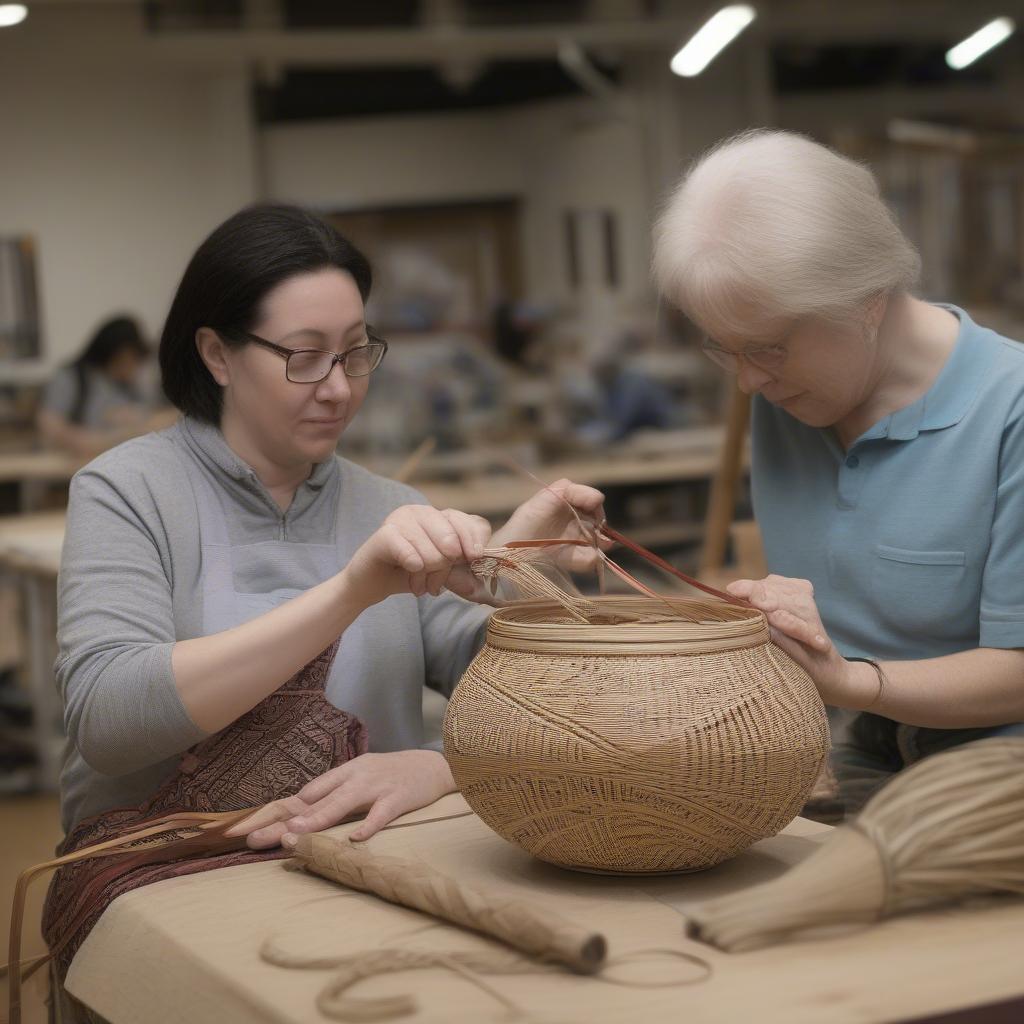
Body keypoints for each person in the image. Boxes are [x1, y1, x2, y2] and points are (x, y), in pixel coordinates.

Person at [43, 203, 605, 994]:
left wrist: (521, 578)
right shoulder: (128, 493)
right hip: (170, 884)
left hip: (375, 872)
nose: (339, 389)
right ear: (217, 354)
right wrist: (351, 591)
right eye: (305, 358)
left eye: (355, 354)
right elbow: (110, 718)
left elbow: (529, 706)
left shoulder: (384, 503)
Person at [653, 129, 1024, 814]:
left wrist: (852, 682)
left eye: (765, 348)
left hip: (998, 781)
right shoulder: (789, 396)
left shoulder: (1011, 411)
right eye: (723, 349)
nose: (746, 383)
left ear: (868, 299)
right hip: (862, 745)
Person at [37, 315, 173, 457]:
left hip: (121, 460)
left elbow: (152, 418)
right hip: (75, 463)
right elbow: (49, 423)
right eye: (128, 358)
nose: (132, 367)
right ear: (113, 352)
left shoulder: (130, 384)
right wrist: (84, 440)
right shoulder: (74, 377)